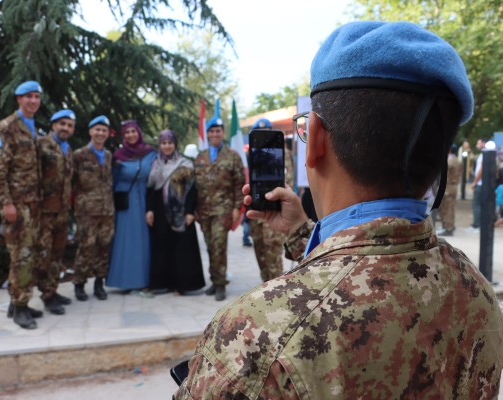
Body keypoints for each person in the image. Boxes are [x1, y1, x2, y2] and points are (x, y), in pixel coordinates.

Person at [174, 22, 503, 399]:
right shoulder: (476, 292)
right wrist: (303, 232)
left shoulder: (258, 335)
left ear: (314, 139)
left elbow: (349, 282)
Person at [0, 80, 43, 330]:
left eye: (36, 96)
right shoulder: (7, 128)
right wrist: (7, 203)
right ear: (18, 99)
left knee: (27, 254)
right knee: (22, 256)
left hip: (33, 204)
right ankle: (20, 309)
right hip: (17, 205)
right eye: (28, 96)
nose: (33, 101)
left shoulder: (31, 127)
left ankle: (17, 303)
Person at [145, 130, 205, 294]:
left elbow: (192, 189)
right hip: (160, 210)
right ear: (160, 145)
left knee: (181, 248)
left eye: (170, 143)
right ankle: (164, 284)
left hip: (181, 212)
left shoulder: (185, 163)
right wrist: (149, 210)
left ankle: (183, 285)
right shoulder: (155, 164)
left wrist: (190, 211)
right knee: (163, 247)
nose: (167, 146)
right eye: (163, 143)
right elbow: (151, 189)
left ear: (175, 144)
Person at [194, 117, 245, 301]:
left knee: (219, 246)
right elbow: (195, 187)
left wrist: (236, 208)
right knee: (209, 246)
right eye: (212, 131)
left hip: (223, 209)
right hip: (204, 211)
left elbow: (239, 183)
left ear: (222, 133)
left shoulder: (232, 156)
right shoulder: (200, 157)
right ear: (207, 134)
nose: (215, 134)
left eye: (218, 131)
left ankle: (221, 283)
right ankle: (214, 281)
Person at [106, 120, 157, 297]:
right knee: (127, 242)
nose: (130, 135)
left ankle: (145, 280)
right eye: (126, 132)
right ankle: (126, 280)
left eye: (133, 131)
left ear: (139, 132)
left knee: (144, 242)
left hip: (146, 201)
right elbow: (110, 181)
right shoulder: (118, 156)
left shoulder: (151, 153)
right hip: (126, 205)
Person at [34, 109, 75, 314]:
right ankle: (45, 295)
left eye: (69, 125)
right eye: (62, 124)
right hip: (44, 211)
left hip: (62, 211)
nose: (65, 128)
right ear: (53, 126)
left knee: (58, 254)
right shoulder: (42, 144)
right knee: (44, 254)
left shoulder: (67, 149)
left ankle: (52, 290)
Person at [72, 115, 115, 301]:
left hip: (107, 211)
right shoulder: (79, 155)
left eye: (104, 130)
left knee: (104, 247)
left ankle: (99, 283)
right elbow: (71, 183)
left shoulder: (108, 155)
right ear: (90, 131)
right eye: (97, 129)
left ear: (107, 134)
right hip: (86, 211)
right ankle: (79, 283)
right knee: (85, 247)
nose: (100, 133)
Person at [247, 118, 290, 282]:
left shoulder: (282, 153)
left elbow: (288, 180)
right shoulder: (252, 154)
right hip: (257, 215)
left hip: (274, 211)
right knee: (262, 260)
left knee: (274, 262)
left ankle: (277, 292)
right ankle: (266, 293)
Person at [437, 144, 462, 236]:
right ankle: (447, 226)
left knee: (447, 208)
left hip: (447, 186)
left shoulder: (449, 161)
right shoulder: (457, 161)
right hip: (453, 186)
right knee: (450, 207)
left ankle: (448, 228)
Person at [469, 138, 487, 230]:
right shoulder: (482, 154)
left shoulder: (485, 154)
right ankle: (478, 223)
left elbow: (481, 170)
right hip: (481, 183)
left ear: (484, 143)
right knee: (479, 204)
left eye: (478, 143)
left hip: (480, 183)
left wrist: (475, 182)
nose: (477, 145)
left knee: (476, 204)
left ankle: (477, 224)